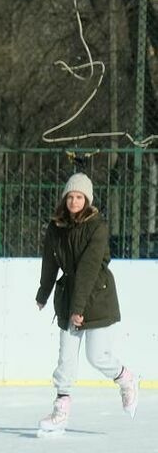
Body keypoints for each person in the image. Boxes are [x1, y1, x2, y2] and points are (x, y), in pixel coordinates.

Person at [35, 173, 139, 435]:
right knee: (65, 359)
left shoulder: (97, 227)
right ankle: (61, 410)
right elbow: (50, 262)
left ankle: (126, 378)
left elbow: (89, 268)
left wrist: (78, 309)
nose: (74, 201)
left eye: (79, 197)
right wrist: (43, 293)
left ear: (87, 200)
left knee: (97, 356)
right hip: (71, 296)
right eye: (70, 196)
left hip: (97, 296)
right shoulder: (55, 227)